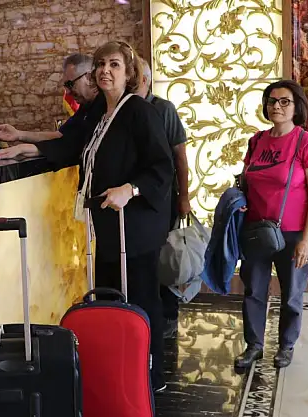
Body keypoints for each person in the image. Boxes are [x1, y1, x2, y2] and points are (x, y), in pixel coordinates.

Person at [0, 41, 174, 393]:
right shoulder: (99, 111)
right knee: (113, 298)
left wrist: (130, 189)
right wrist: (27, 147)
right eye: (100, 64)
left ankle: (151, 374)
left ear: (129, 73)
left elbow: (162, 166)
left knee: (141, 298)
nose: (105, 71)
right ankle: (121, 369)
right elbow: (70, 144)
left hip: (136, 225)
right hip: (108, 225)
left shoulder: (139, 111)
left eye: (114, 65)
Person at [234, 80, 308, 369]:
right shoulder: (256, 141)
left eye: (285, 101)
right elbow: (247, 180)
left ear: (297, 106)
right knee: (253, 290)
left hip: (293, 233)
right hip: (256, 231)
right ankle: (254, 345)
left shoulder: (307, 143)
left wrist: (306, 240)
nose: (277, 106)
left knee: (292, 294)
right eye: (272, 101)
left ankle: (286, 345)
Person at [136, 56, 191, 339]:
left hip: (164, 197)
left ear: (145, 80)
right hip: (135, 200)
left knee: (165, 255)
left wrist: (184, 196)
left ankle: (168, 314)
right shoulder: (120, 110)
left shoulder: (163, 109)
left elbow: (180, 157)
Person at [0, 53, 98, 143]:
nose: (68, 92)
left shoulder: (104, 110)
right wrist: (19, 135)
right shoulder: (86, 108)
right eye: (66, 86)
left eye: (70, 84)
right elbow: (60, 135)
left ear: (89, 78)